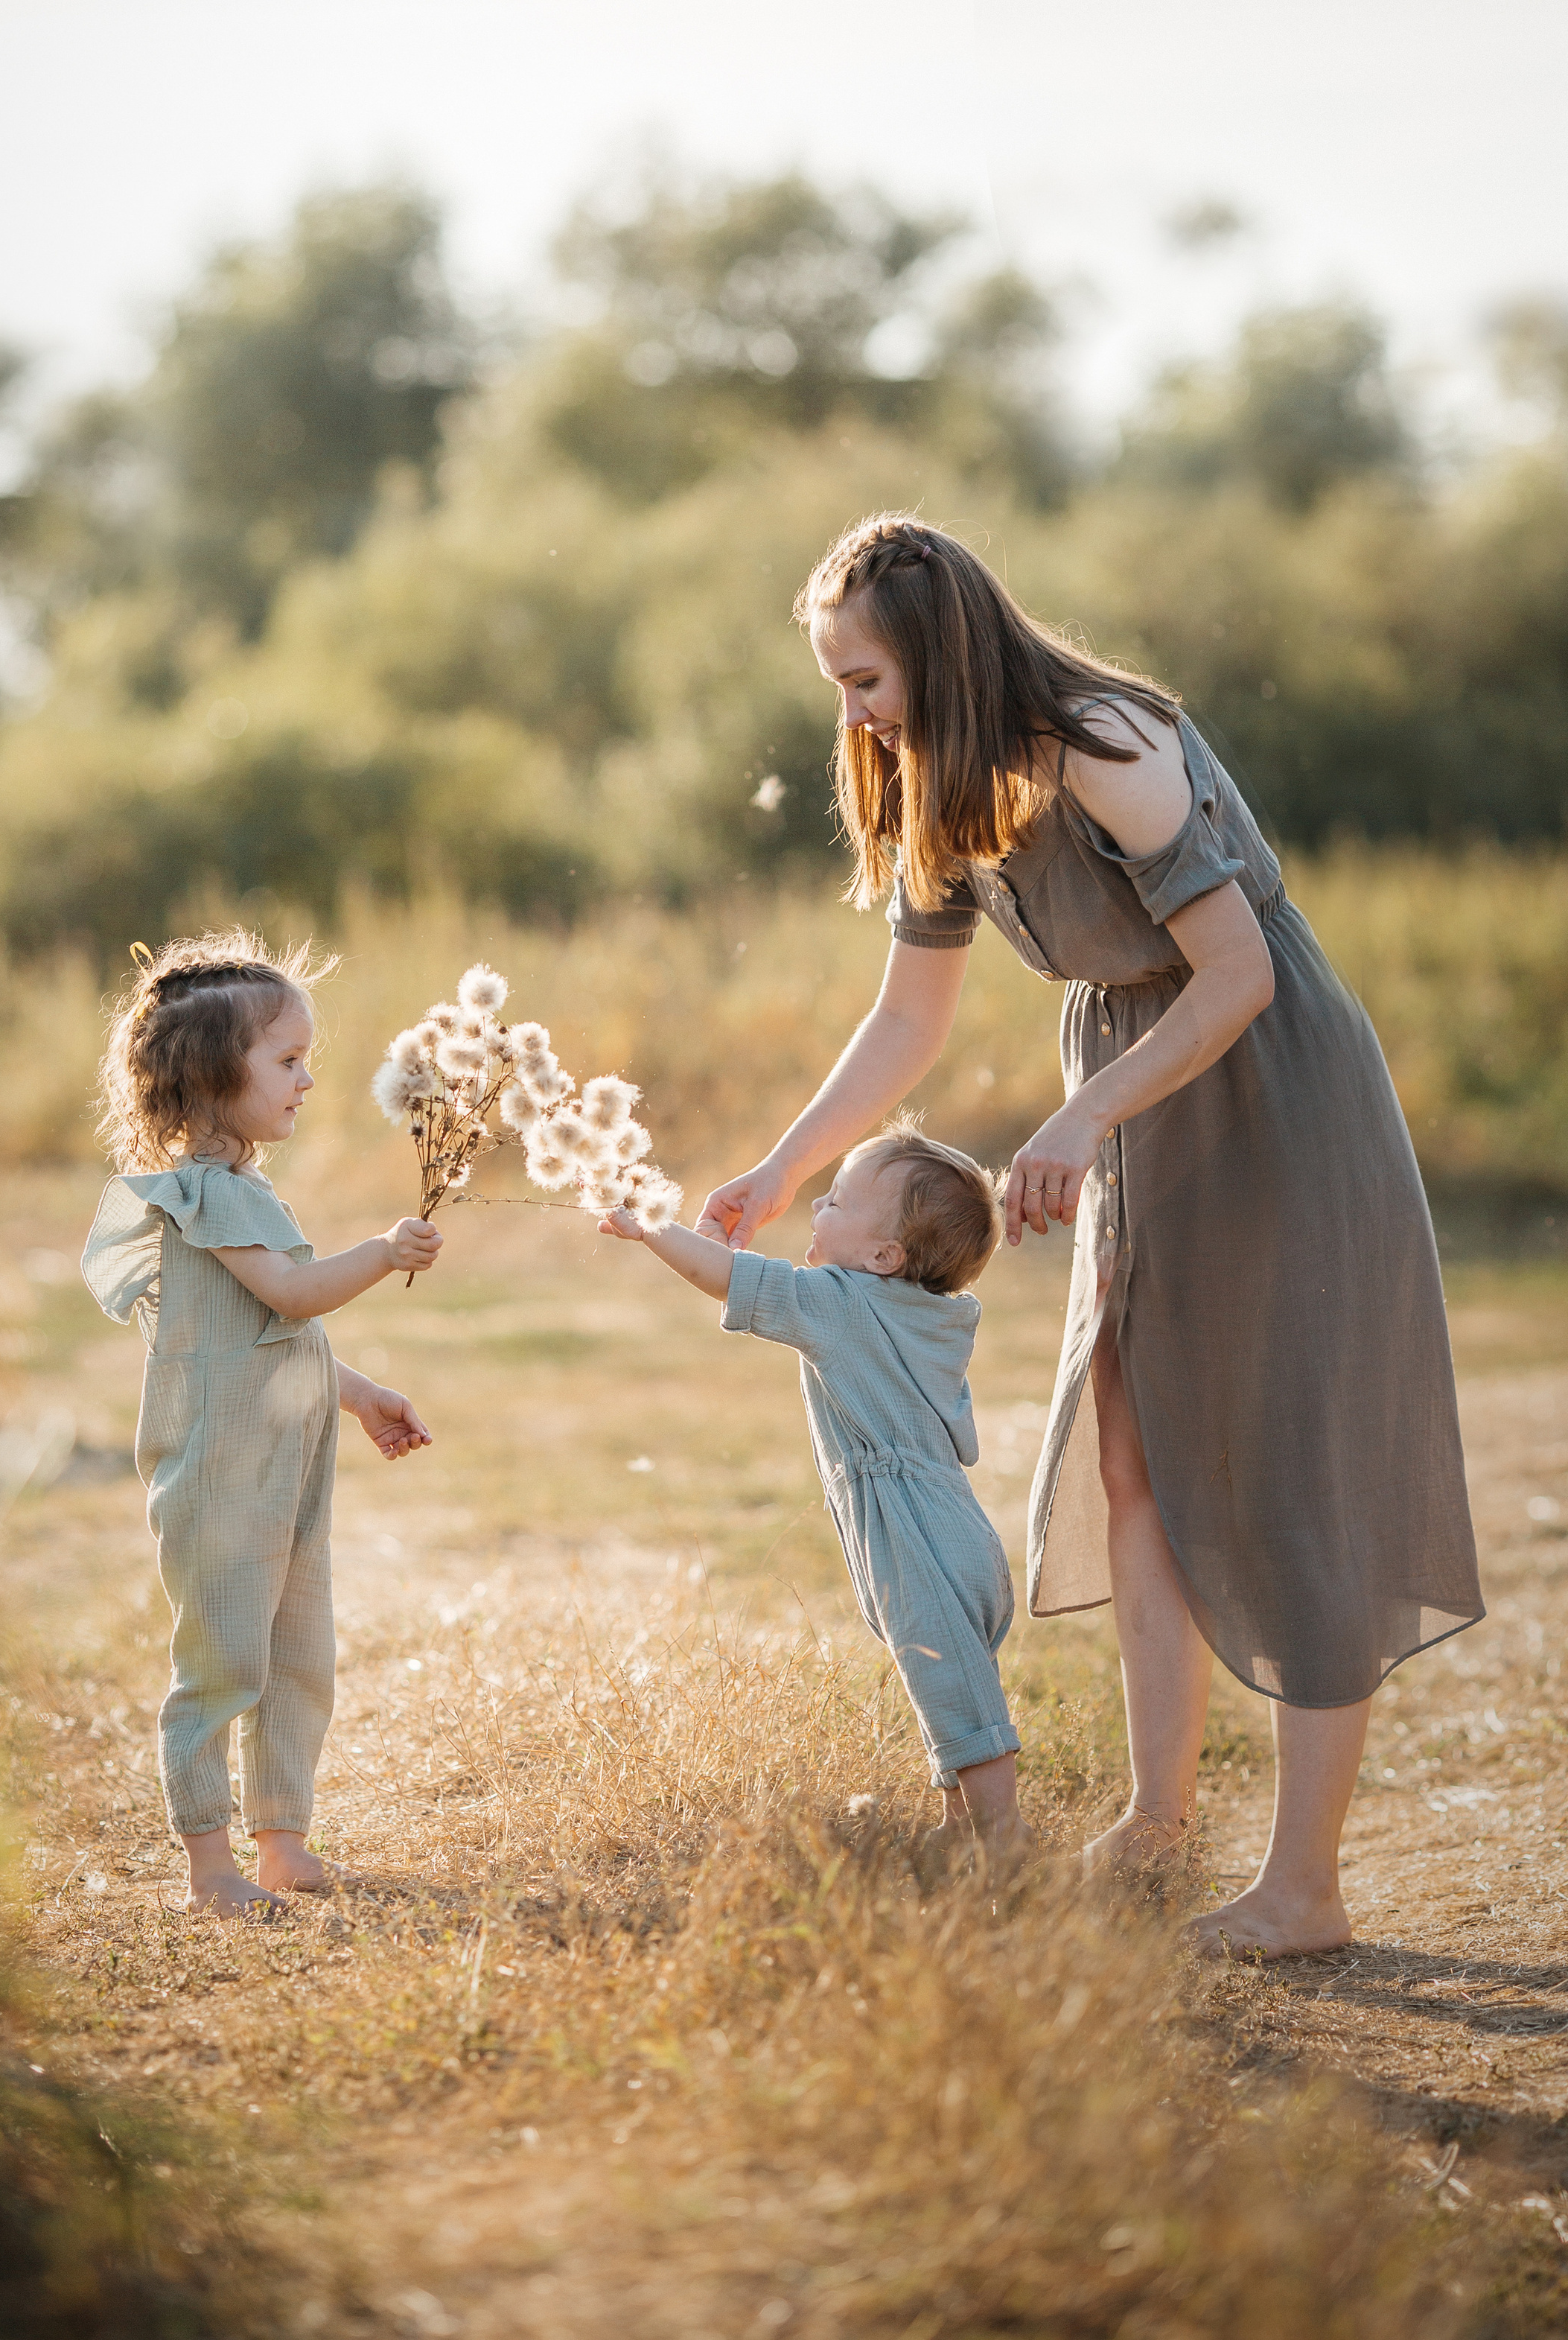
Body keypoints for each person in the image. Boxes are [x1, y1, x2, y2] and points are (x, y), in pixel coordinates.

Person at [699, 515, 1482, 1958]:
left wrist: (1076, 1121)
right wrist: (775, 1165)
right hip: (1135, 1089)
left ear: (935, 655)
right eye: (837, 684)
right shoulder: (946, 787)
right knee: (1129, 1445)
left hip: (1260, 1085)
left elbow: (1236, 974)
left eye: (863, 678)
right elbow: (906, 1022)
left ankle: (1304, 1886)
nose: (849, 713)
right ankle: (1155, 1816)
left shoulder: (1106, 742)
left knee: (1285, 1451)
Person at [82, 929, 442, 1918]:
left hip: (283, 1467)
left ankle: (283, 1840)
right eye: (286, 1060)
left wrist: (358, 1391)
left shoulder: (243, 1188)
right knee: (225, 1658)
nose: (308, 1079)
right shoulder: (205, 1192)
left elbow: (271, 1334)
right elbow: (289, 1294)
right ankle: (210, 1869)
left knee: (296, 1655)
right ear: (208, 1075)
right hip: (219, 1472)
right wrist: (381, 1252)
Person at [603, 1116, 1032, 1870]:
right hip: (954, 1526)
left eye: (833, 1201)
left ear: (882, 1254)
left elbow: (728, 1279)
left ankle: (1003, 1838)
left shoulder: (844, 1303)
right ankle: (960, 1825)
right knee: (948, 1678)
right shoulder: (923, 1312)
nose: (813, 1210)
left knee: (956, 1690)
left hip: (916, 1532)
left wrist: (651, 1226)